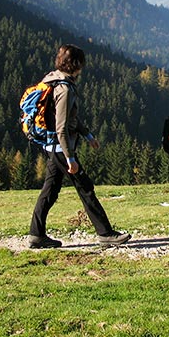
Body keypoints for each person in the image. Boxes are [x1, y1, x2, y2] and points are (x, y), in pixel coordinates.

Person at [28, 44, 131, 248]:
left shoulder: (52, 80)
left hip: (53, 146)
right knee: (85, 188)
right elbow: (62, 127)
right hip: (60, 148)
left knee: (50, 190)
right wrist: (70, 158)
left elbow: (71, 120)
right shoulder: (64, 89)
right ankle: (105, 233)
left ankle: (36, 234)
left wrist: (88, 136)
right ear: (75, 65)